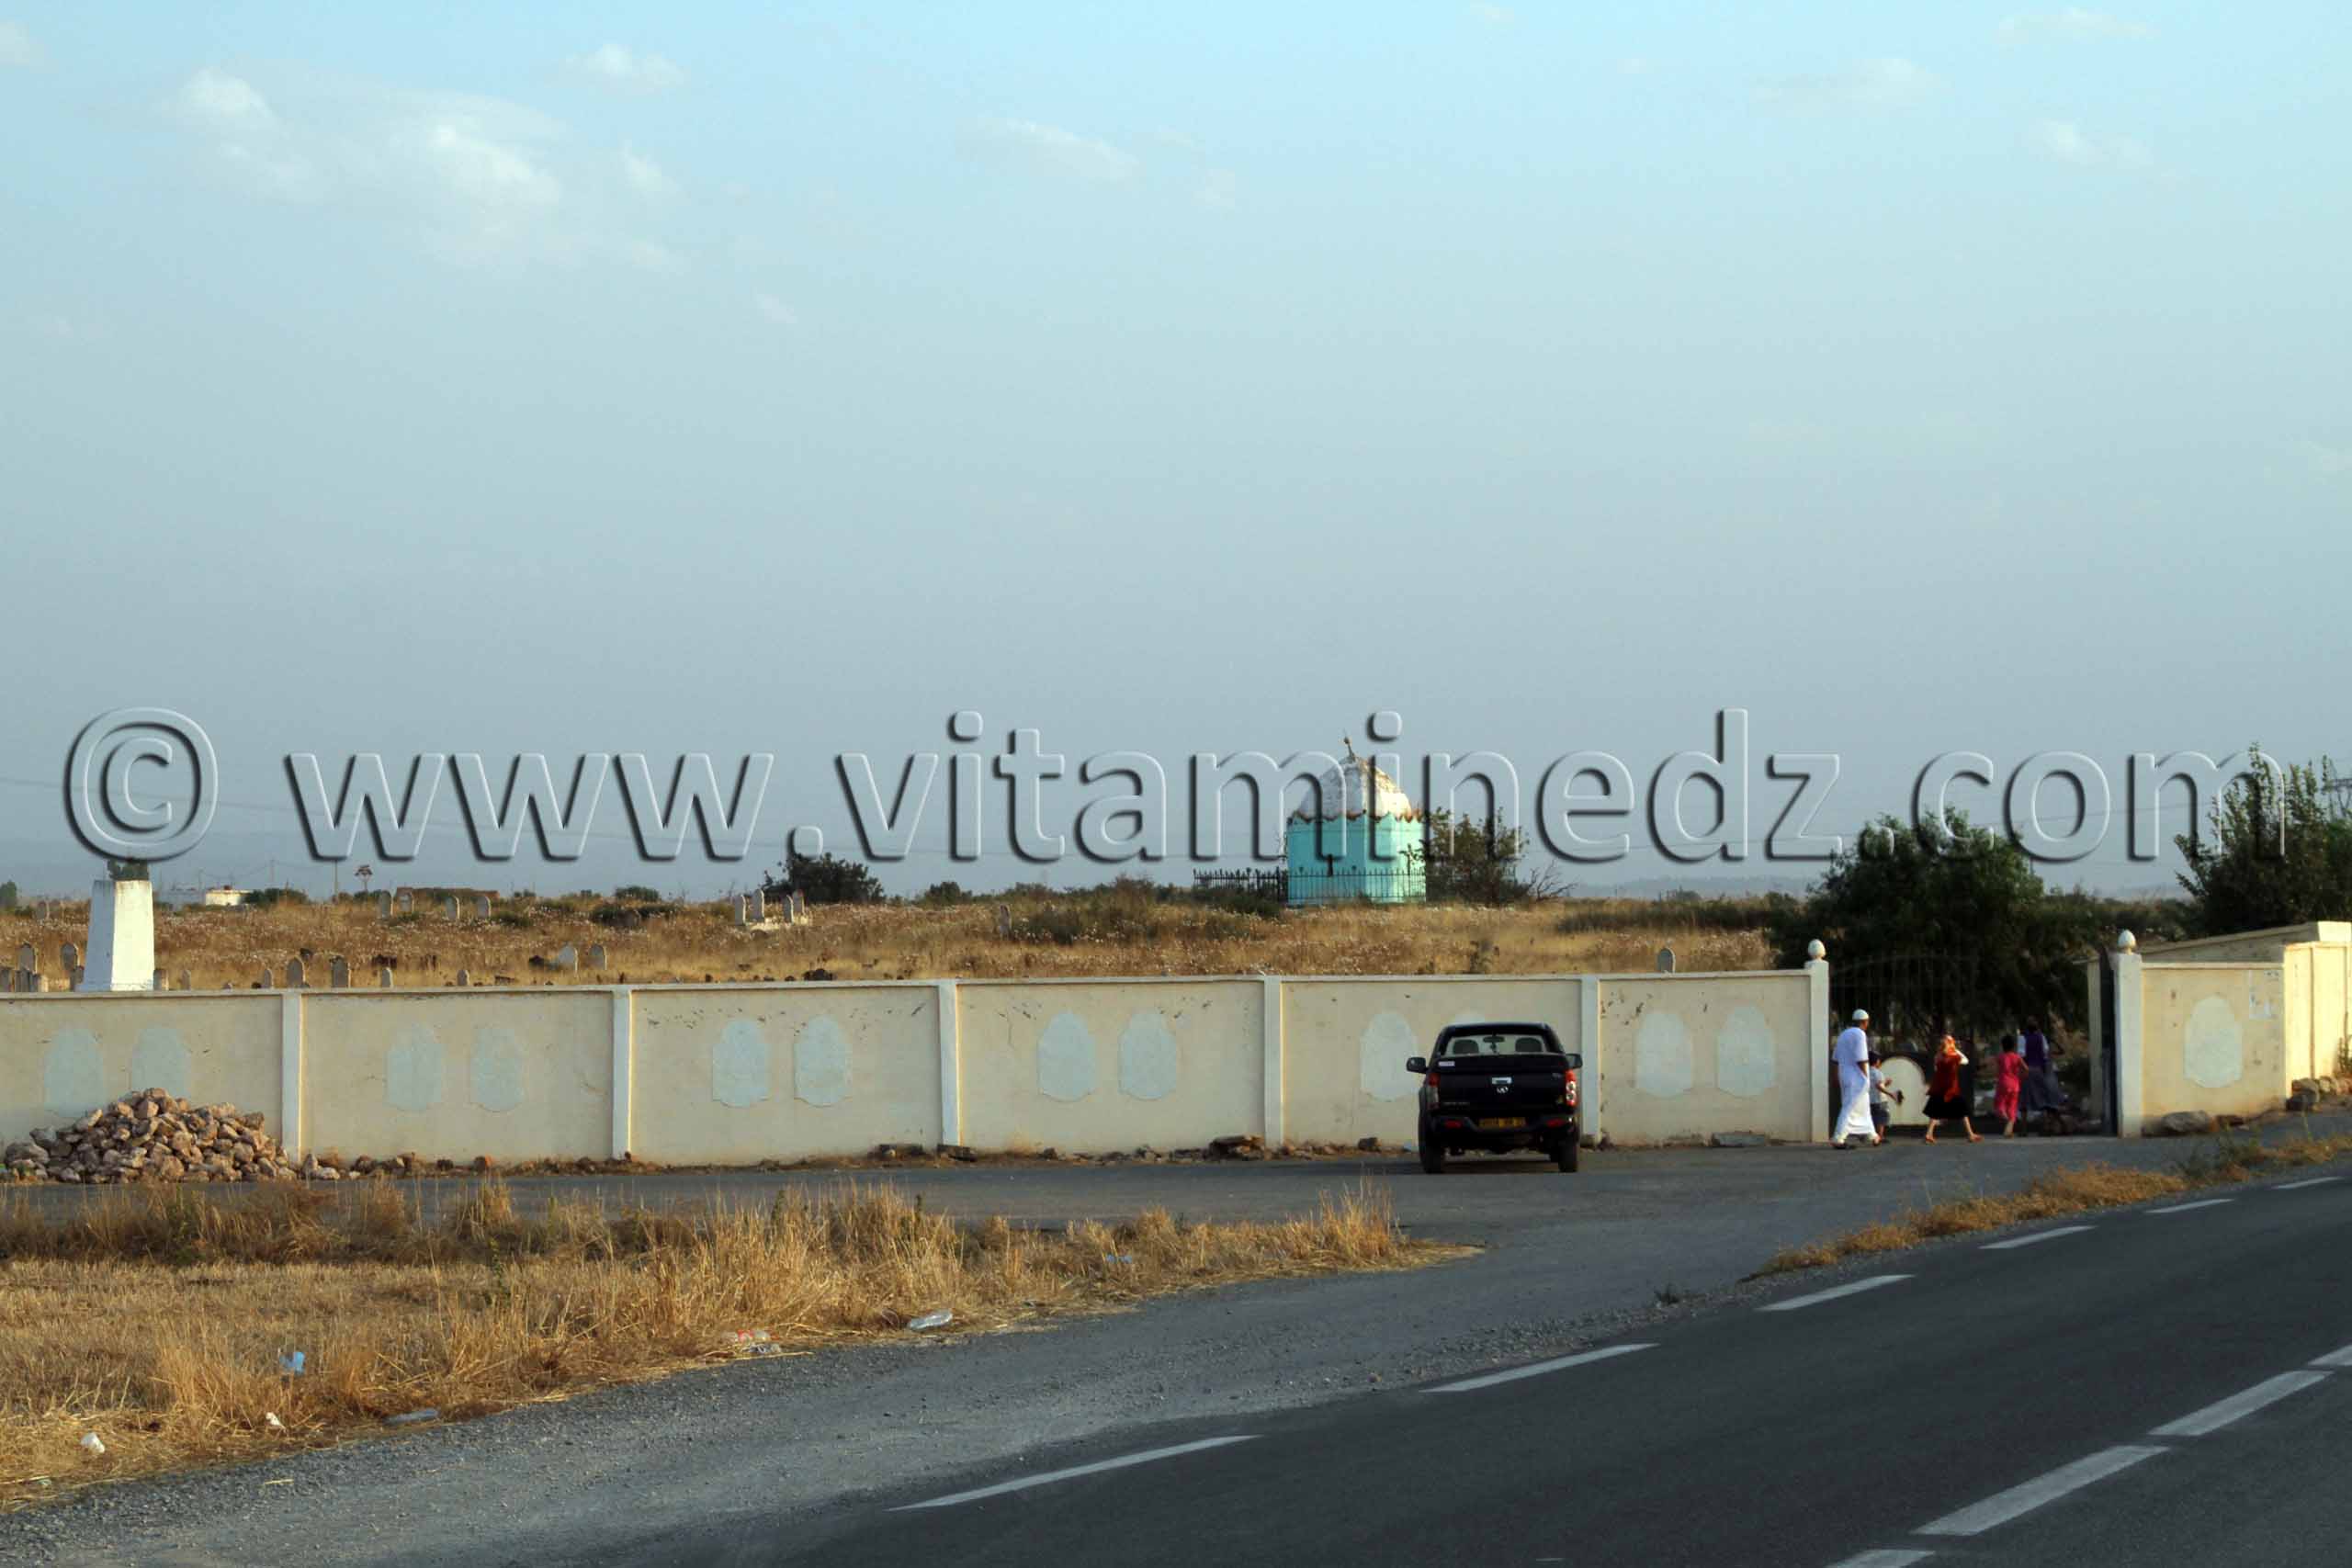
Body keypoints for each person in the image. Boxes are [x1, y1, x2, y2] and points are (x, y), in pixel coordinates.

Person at [1831, 1010, 1881, 1148]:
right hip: (1857, 1077)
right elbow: (1862, 1058)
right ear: (1865, 1022)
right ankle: (1838, 1137)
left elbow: (1834, 1059)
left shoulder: (1843, 1034)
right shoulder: (1860, 1034)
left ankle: (1872, 1135)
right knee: (1850, 1106)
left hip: (1844, 1075)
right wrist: (1866, 1077)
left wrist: (1835, 1076)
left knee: (1863, 1107)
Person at [1922, 1034, 1981, 1145]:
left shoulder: (1938, 1056)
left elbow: (1936, 1068)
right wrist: (1956, 1050)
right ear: (1951, 1044)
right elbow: (1966, 1060)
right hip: (1951, 1088)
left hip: (1939, 1087)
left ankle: (1929, 1134)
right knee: (1962, 1111)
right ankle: (1970, 1134)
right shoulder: (1954, 1057)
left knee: (1935, 1112)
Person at [1995, 1036, 2026, 1136]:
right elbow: (2026, 1069)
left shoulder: (2000, 1057)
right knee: (2012, 1108)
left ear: (2002, 1046)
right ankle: (2009, 1129)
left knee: (2000, 1107)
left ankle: (2008, 1122)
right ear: (2014, 1046)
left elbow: (1995, 1069)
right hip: (2015, 1086)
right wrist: (2021, 1078)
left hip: (2003, 1084)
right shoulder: (2017, 1057)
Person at [1867, 1051, 1901, 1141]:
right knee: (1881, 1119)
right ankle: (1880, 1136)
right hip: (1880, 1100)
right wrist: (1891, 1094)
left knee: (1872, 1118)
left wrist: (1885, 1083)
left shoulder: (1865, 1072)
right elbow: (1878, 1086)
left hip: (1869, 1100)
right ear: (1877, 1061)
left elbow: (1874, 1086)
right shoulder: (1878, 1073)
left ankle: (1873, 1136)